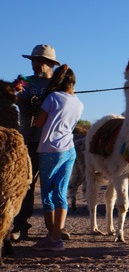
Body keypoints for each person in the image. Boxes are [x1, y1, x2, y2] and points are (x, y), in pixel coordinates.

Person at [12, 44, 60, 241]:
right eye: (34, 60)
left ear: (50, 64)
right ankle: (21, 226)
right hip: (29, 140)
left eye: (40, 60)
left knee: (54, 185)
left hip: (52, 142)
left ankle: (55, 228)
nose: (35, 64)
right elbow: (15, 95)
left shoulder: (59, 84)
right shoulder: (24, 82)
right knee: (27, 185)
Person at [32, 65, 83, 250]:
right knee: (60, 193)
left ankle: (51, 237)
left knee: (47, 195)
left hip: (50, 150)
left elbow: (39, 123)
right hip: (69, 149)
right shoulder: (79, 103)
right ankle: (56, 237)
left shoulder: (52, 98)